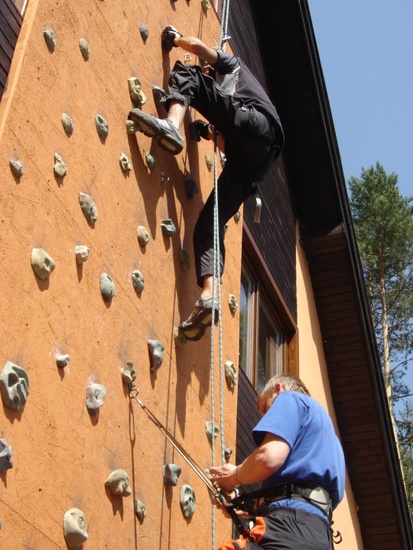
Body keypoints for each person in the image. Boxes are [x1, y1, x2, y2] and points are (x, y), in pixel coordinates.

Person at [128, 27, 284, 341]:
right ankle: (210, 293)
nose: (212, 78)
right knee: (209, 225)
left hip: (258, 127)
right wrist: (205, 132)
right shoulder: (232, 103)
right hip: (255, 162)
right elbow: (227, 137)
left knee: (188, 74)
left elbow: (198, 47)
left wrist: (175, 38)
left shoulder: (232, 66)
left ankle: (171, 125)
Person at [209, 373, 345, 550]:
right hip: (319, 535)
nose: (267, 419)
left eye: (267, 408)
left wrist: (234, 476)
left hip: (290, 527)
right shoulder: (329, 441)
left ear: (279, 389)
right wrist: (248, 506)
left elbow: (269, 458)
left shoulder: (290, 398)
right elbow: (302, 495)